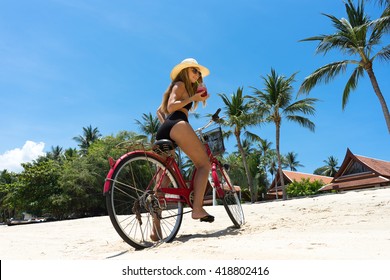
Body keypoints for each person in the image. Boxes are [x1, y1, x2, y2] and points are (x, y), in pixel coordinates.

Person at [156, 58, 213, 223]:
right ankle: (197, 209)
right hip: (177, 123)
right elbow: (171, 107)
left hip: (167, 128)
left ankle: (155, 227)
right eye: (193, 70)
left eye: (198, 72)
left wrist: (198, 97)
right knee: (204, 165)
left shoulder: (184, 88)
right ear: (184, 71)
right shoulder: (180, 84)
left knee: (163, 178)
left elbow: (160, 111)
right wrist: (193, 98)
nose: (197, 74)